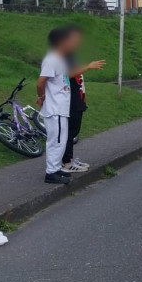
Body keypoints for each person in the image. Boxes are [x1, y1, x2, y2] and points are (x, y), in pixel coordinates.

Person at [36, 26, 94, 184]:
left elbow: (64, 77)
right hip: (55, 108)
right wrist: (42, 96)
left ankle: (55, 169)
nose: (75, 43)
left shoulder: (60, 59)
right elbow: (41, 82)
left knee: (60, 141)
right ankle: (51, 173)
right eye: (71, 40)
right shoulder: (52, 59)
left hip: (61, 107)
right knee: (56, 142)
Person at [61, 26, 105, 173]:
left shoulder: (71, 54)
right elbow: (67, 74)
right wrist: (88, 67)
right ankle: (66, 162)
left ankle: (69, 159)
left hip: (78, 96)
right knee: (69, 131)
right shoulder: (63, 55)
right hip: (70, 97)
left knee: (74, 129)